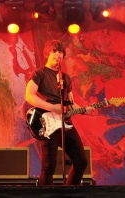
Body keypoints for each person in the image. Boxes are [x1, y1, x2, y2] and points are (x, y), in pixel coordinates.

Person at [25, 40, 93, 186]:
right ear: (47, 54)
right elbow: (29, 95)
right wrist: (52, 107)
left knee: (81, 162)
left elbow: (70, 102)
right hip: (48, 123)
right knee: (49, 166)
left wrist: (83, 110)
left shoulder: (66, 78)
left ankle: (70, 193)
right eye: (55, 51)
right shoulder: (40, 73)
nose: (58, 55)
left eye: (61, 52)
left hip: (65, 124)